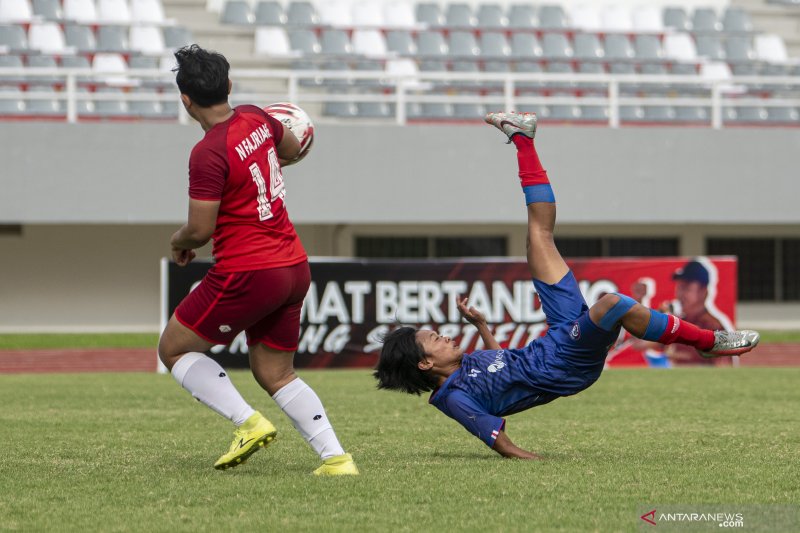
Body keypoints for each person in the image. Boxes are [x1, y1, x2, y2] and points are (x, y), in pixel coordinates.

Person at [374, 111, 760, 459]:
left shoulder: (464, 367)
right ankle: (710, 342)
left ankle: (522, 138)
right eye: (435, 340)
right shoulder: (452, 397)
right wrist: (534, 462)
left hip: (557, 340)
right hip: (564, 362)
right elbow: (494, 436)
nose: (444, 338)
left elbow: (500, 368)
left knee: (538, 238)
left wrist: (482, 327)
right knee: (612, 303)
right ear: (425, 363)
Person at [157, 45, 357, 475]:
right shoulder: (257, 117)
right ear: (228, 86)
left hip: (248, 269)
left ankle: (248, 423)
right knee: (276, 372)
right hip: (292, 266)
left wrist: (178, 241)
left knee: (173, 348)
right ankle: (336, 459)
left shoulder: (207, 152)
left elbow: (200, 230)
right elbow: (290, 147)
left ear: (185, 99)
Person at [662, 260, 730, 366]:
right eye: (679, 288)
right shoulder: (678, 323)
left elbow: (724, 368)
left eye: (686, 288)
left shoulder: (713, 327)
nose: (680, 294)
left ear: (703, 291)